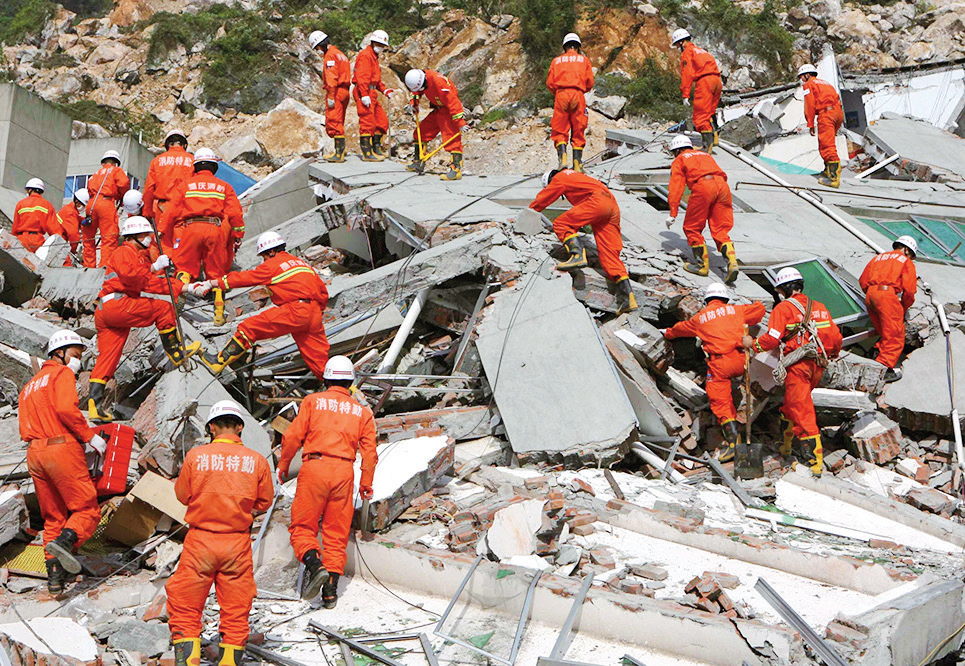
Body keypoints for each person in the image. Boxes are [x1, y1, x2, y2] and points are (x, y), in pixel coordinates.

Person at [166, 400, 273, 666]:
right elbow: (264, 502)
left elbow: (182, 495)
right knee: (236, 610)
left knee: (185, 607)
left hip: (200, 542)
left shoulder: (196, 456)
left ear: (211, 427)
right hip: (236, 544)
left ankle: (187, 662)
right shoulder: (257, 461)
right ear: (240, 427)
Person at [278, 356, 377, 607]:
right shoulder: (362, 412)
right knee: (336, 534)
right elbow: (369, 454)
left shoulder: (312, 402)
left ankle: (315, 565)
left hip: (315, 467)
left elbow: (292, 436)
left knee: (303, 527)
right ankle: (330, 592)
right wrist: (366, 483)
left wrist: (284, 464)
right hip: (344, 472)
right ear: (350, 382)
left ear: (326, 379)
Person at [19, 330, 106, 594]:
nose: (78, 361)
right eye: (75, 355)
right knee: (87, 510)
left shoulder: (29, 387)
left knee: (53, 516)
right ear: (60, 353)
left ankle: (55, 578)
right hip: (60, 448)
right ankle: (65, 544)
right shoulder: (61, 374)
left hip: (35, 453)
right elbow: (66, 409)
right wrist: (90, 436)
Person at [88, 216, 200, 422]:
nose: (149, 238)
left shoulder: (134, 255)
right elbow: (138, 279)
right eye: (145, 235)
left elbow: (145, 279)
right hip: (118, 304)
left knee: (108, 358)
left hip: (108, 309)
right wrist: (169, 279)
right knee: (163, 309)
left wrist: (164, 275)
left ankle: (94, 406)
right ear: (134, 236)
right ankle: (176, 353)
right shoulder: (124, 252)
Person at [189, 231, 330, 380]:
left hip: (295, 310)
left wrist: (213, 283)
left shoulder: (273, 265)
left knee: (249, 328)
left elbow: (246, 278)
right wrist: (312, 312)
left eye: (264, 256)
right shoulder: (303, 265)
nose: (264, 260)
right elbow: (323, 293)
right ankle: (340, 387)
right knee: (320, 361)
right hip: (314, 313)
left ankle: (218, 362)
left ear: (271, 252)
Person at [742, 267, 842, 476]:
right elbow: (835, 336)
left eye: (779, 290)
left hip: (798, 366)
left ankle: (813, 462)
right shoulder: (819, 306)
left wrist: (753, 344)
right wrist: (832, 354)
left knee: (801, 409)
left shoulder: (783, 308)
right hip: (818, 365)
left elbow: (772, 339)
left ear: (784, 289)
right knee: (790, 405)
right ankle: (785, 446)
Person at [664, 284, 765, 461]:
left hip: (721, 363)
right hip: (741, 360)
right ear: (725, 299)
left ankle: (733, 443)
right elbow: (759, 310)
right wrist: (756, 302)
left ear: (707, 300)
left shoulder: (700, 318)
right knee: (729, 391)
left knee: (719, 400)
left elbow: (680, 329)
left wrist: (668, 333)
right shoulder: (736, 310)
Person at [528, 169, 636, 314]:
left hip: (597, 202)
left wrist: (530, 212)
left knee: (561, 224)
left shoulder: (560, 177)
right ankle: (628, 298)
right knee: (609, 254)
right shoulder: (576, 177)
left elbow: (544, 198)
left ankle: (577, 255)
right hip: (611, 204)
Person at [159, 148, 244, 283]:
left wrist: (161, 229)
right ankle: (216, 293)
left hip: (191, 229)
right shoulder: (224, 186)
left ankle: (184, 282)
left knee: (184, 266)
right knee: (216, 272)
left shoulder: (185, 185)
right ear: (214, 166)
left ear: (196, 167)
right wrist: (238, 234)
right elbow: (235, 212)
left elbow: (172, 209)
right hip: (215, 230)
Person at [665, 134, 738, 282]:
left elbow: (676, 187)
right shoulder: (705, 155)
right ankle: (732, 262)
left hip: (703, 186)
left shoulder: (680, 159)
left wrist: (673, 212)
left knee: (692, 227)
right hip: (722, 186)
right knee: (720, 228)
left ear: (677, 150)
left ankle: (702, 266)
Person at [859, 235, 917, 383]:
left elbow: (863, 280)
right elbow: (910, 291)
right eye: (911, 254)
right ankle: (883, 369)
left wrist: (872, 293)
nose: (910, 257)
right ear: (906, 249)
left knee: (884, 332)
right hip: (887, 296)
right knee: (895, 335)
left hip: (870, 295)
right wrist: (902, 307)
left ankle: (876, 352)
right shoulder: (906, 262)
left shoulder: (878, 258)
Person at [404, 68, 467, 180]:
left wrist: (460, 122)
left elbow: (453, 102)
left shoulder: (439, 83)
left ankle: (456, 169)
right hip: (437, 110)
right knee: (421, 132)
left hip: (447, 111)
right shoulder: (421, 79)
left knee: (451, 139)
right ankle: (418, 161)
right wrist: (414, 104)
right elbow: (416, 92)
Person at [545, 33, 594, 172]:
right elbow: (590, 82)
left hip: (561, 94)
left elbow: (550, 83)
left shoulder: (556, 61)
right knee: (579, 128)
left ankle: (563, 161)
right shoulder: (584, 60)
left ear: (564, 47)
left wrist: (559, 93)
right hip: (578, 94)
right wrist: (580, 90)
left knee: (560, 129)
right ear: (578, 46)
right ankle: (577, 164)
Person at [142, 129, 194, 255]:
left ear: (167, 144)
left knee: (161, 245)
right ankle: (179, 266)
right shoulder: (192, 160)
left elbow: (149, 188)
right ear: (185, 145)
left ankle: (162, 267)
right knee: (183, 244)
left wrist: (147, 212)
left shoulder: (157, 161)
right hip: (185, 208)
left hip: (162, 208)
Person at [671, 28, 721, 153]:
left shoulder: (687, 52)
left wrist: (685, 94)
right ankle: (714, 139)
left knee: (700, 116)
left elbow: (687, 74)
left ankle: (706, 147)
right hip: (716, 80)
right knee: (710, 112)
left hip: (705, 82)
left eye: (677, 45)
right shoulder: (701, 51)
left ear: (681, 42)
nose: (678, 48)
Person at [797, 63, 844, 188]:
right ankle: (828, 171)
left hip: (826, 114)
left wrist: (810, 123)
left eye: (801, 77)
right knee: (828, 143)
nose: (801, 80)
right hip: (838, 113)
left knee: (827, 145)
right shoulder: (825, 83)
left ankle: (833, 178)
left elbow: (809, 105)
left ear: (807, 75)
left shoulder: (809, 84)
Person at [309, 31, 352, 163]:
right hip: (345, 91)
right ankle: (341, 151)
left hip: (336, 91)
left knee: (334, 120)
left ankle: (339, 154)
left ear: (320, 45)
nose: (318, 51)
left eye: (317, 48)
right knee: (340, 120)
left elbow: (331, 77)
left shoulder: (330, 56)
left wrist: (331, 96)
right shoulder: (340, 54)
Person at [352, 30, 395, 161]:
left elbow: (375, 79)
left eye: (382, 45)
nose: (381, 47)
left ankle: (376, 148)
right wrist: (364, 94)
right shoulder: (366, 56)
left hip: (371, 92)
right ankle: (367, 153)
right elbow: (362, 77)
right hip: (364, 91)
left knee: (382, 121)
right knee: (367, 121)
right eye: (379, 44)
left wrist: (384, 90)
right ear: (373, 42)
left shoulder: (373, 57)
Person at [84, 150, 131, 268]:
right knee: (109, 237)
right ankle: (104, 267)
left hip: (91, 204)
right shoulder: (116, 170)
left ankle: (88, 266)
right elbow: (124, 183)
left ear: (103, 162)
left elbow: (89, 190)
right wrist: (121, 197)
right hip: (106, 203)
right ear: (116, 163)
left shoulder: (95, 174)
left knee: (88, 238)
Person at [12, 178, 59, 252]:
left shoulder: (21, 204)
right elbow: (55, 231)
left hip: (21, 241)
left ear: (30, 190)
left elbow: (15, 227)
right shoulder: (47, 205)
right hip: (37, 241)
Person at [56, 188, 89, 264]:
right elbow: (74, 236)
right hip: (59, 244)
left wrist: (84, 221)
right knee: (67, 265)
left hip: (59, 242)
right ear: (78, 204)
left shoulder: (69, 209)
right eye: (83, 205)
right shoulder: (70, 213)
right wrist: (73, 251)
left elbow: (76, 219)